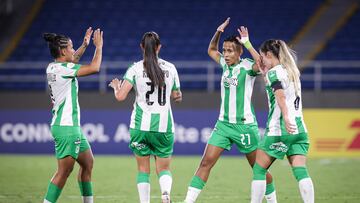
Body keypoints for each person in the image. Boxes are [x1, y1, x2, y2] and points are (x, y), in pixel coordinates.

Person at [183, 18, 277, 203]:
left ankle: (273, 200)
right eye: (224, 50)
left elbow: (263, 64)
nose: (225, 54)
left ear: (239, 52)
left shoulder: (248, 67)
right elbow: (211, 50)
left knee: (259, 168)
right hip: (223, 125)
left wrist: (247, 42)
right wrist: (217, 32)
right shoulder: (225, 65)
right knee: (205, 163)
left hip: (245, 127)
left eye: (230, 51)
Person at [109, 31, 182, 203]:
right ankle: (165, 194)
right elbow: (177, 96)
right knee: (164, 169)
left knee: (143, 170)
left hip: (140, 127)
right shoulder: (171, 68)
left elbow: (120, 97)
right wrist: (176, 95)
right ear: (159, 47)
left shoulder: (134, 69)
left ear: (142, 47)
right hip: (163, 127)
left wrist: (115, 88)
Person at [43, 27, 103, 203]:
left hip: (67, 126)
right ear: (62, 51)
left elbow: (72, 60)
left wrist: (84, 46)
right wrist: (98, 47)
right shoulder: (63, 69)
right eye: (70, 47)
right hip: (67, 127)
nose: (72, 49)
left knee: (88, 163)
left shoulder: (53, 67)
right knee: (63, 173)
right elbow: (95, 68)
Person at [250, 39, 314, 203]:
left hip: (280, 129)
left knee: (259, 169)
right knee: (300, 171)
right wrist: (247, 44)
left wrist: (285, 117)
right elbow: (273, 84)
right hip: (299, 129)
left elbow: (280, 95)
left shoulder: (275, 72)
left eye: (263, 56)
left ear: (269, 54)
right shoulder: (292, 71)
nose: (261, 61)